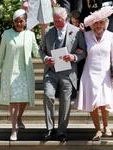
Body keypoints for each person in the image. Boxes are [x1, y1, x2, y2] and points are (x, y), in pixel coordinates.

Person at [0, 9, 39, 141]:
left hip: (25, 73)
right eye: (16, 21)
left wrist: (49, 57)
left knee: (24, 99)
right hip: (10, 72)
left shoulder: (30, 35)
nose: (19, 23)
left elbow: (37, 52)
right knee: (13, 101)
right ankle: (14, 130)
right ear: (13, 22)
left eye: (21, 21)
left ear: (25, 22)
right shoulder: (7, 34)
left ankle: (18, 118)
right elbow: (1, 54)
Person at [39, 7, 86, 142]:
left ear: (65, 18)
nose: (56, 23)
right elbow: (41, 50)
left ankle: (61, 131)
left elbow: (83, 51)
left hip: (68, 73)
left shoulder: (76, 32)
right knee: (48, 95)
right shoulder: (48, 31)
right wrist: (46, 58)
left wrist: (73, 57)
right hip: (51, 71)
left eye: (58, 21)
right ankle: (49, 129)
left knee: (65, 102)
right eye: (54, 21)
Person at [77, 6, 113, 141]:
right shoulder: (86, 35)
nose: (98, 25)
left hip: (105, 74)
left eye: (101, 22)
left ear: (105, 23)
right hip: (89, 73)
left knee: (104, 101)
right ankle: (97, 129)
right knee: (93, 103)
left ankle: (106, 126)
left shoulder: (111, 36)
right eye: (95, 23)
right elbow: (80, 49)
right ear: (92, 24)